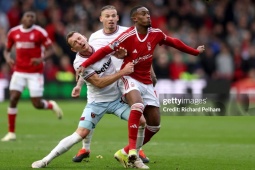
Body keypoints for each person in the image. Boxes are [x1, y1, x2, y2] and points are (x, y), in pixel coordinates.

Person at [77, 6, 205, 169]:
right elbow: (103, 51)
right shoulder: (127, 36)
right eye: (143, 14)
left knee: (154, 125)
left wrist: (194, 52)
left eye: (148, 13)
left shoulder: (156, 34)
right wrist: (85, 64)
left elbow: (174, 42)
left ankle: (123, 152)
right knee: (137, 106)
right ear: (135, 19)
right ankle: (132, 152)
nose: (148, 16)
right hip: (129, 78)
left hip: (146, 82)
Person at [31, 31, 148, 169]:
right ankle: (45, 160)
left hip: (117, 100)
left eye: (79, 38)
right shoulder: (79, 63)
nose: (79, 42)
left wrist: (119, 55)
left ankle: (134, 158)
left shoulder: (100, 45)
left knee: (141, 122)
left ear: (85, 37)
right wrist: (123, 72)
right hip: (97, 102)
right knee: (81, 133)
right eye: (75, 42)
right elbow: (98, 83)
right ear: (74, 49)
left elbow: (115, 55)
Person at [71, 5, 150, 164]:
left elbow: (143, 53)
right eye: (107, 16)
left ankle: (136, 148)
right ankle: (85, 148)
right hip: (103, 78)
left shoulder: (128, 32)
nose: (111, 19)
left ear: (117, 17)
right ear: (101, 19)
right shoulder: (94, 37)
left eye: (113, 16)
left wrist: (150, 72)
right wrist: (79, 84)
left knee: (137, 111)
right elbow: (87, 63)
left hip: (127, 77)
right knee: (91, 112)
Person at [1, 11, 63, 142]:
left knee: (37, 104)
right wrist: (8, 59)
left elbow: (52, 50)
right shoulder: (13, 32)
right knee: (13, 98)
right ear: (22, 18)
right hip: (19, 71)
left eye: (32, 17)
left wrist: (40, 59)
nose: (30, 19)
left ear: (34, 20)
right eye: (27, 17)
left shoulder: (40, 32)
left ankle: (51, 105)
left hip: (35, 72)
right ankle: (11, 133)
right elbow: (6, 50)